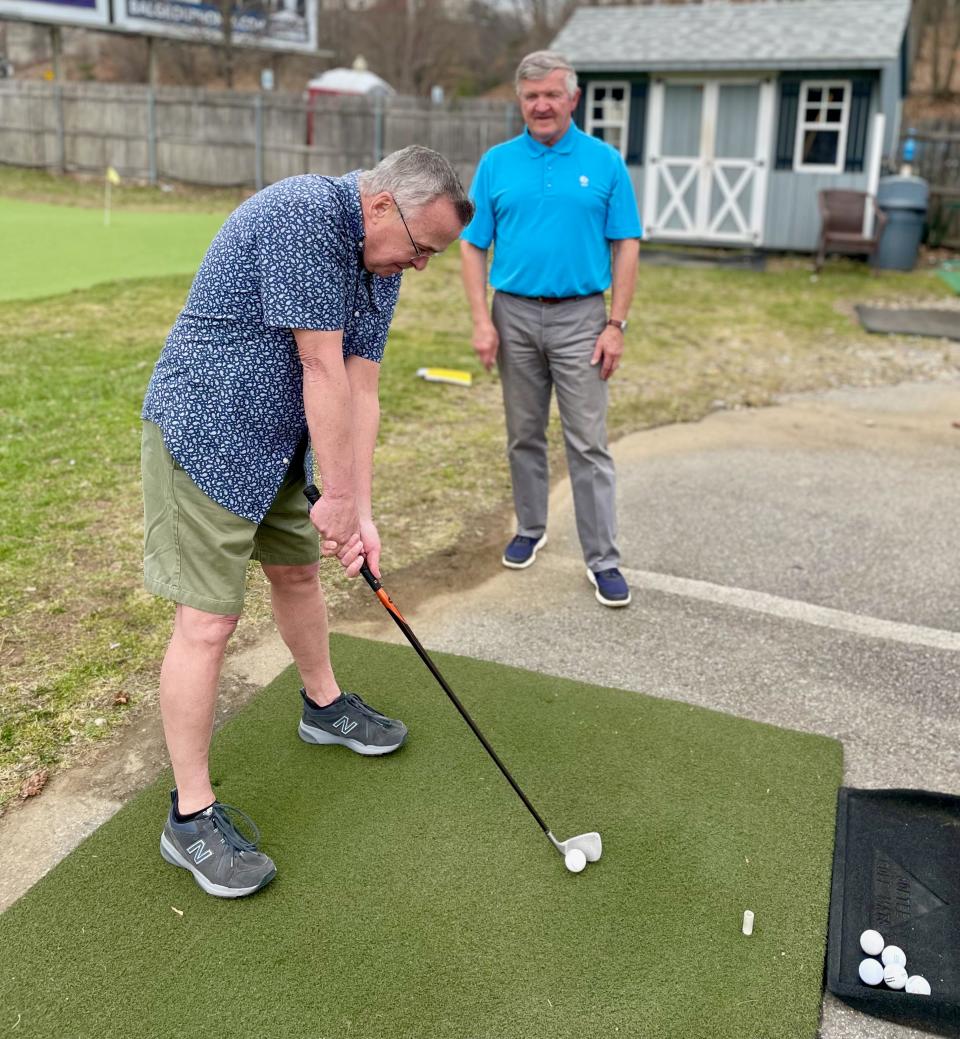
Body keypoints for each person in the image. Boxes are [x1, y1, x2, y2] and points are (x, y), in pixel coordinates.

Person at [141, 146, 474, 898]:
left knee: (297, 572)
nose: (422, 266)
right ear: (383, 205)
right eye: (423, 248)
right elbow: (319, 367)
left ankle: (323, 706)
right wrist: (335, 497)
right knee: (208, 622)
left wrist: (359, 505)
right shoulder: (303, 215)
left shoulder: (381, 260)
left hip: (284, 441)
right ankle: (189, 817)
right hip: (207, 429)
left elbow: (361, 388)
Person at [460, 50, 641, 608]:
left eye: (552, 94)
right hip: (512, 313)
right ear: (521, 101)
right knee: (524, 433)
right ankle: (530, 528)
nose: (542, 105)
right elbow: (472, 244)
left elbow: (627, 244)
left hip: (583, 317)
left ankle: (603, 560)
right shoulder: (496, 163)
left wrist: (616, 323)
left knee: (587, 442)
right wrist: (480, 319)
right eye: (531, 96)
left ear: (573, 99)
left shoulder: (605, 162)